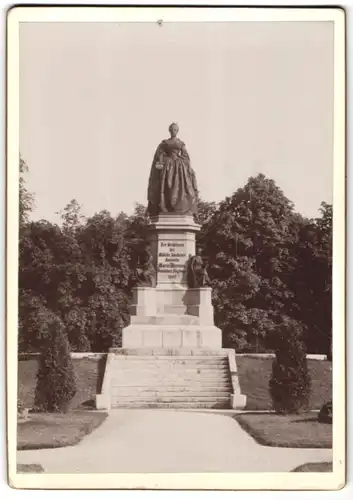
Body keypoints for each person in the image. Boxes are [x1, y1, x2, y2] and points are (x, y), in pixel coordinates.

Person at [147, 123, 198, 216]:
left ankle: (180, 206)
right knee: (164, 184)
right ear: (169, 130)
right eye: (172, 129)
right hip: (167, 166)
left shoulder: (180, 143)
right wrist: (160, 166)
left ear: (177, 131)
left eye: (175, 130)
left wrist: (183, 163)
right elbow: (158, 156)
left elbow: (186, 156)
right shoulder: (164, 143)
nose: (173, 131)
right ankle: (165, 205)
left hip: (179, 167)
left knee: (183, 183)